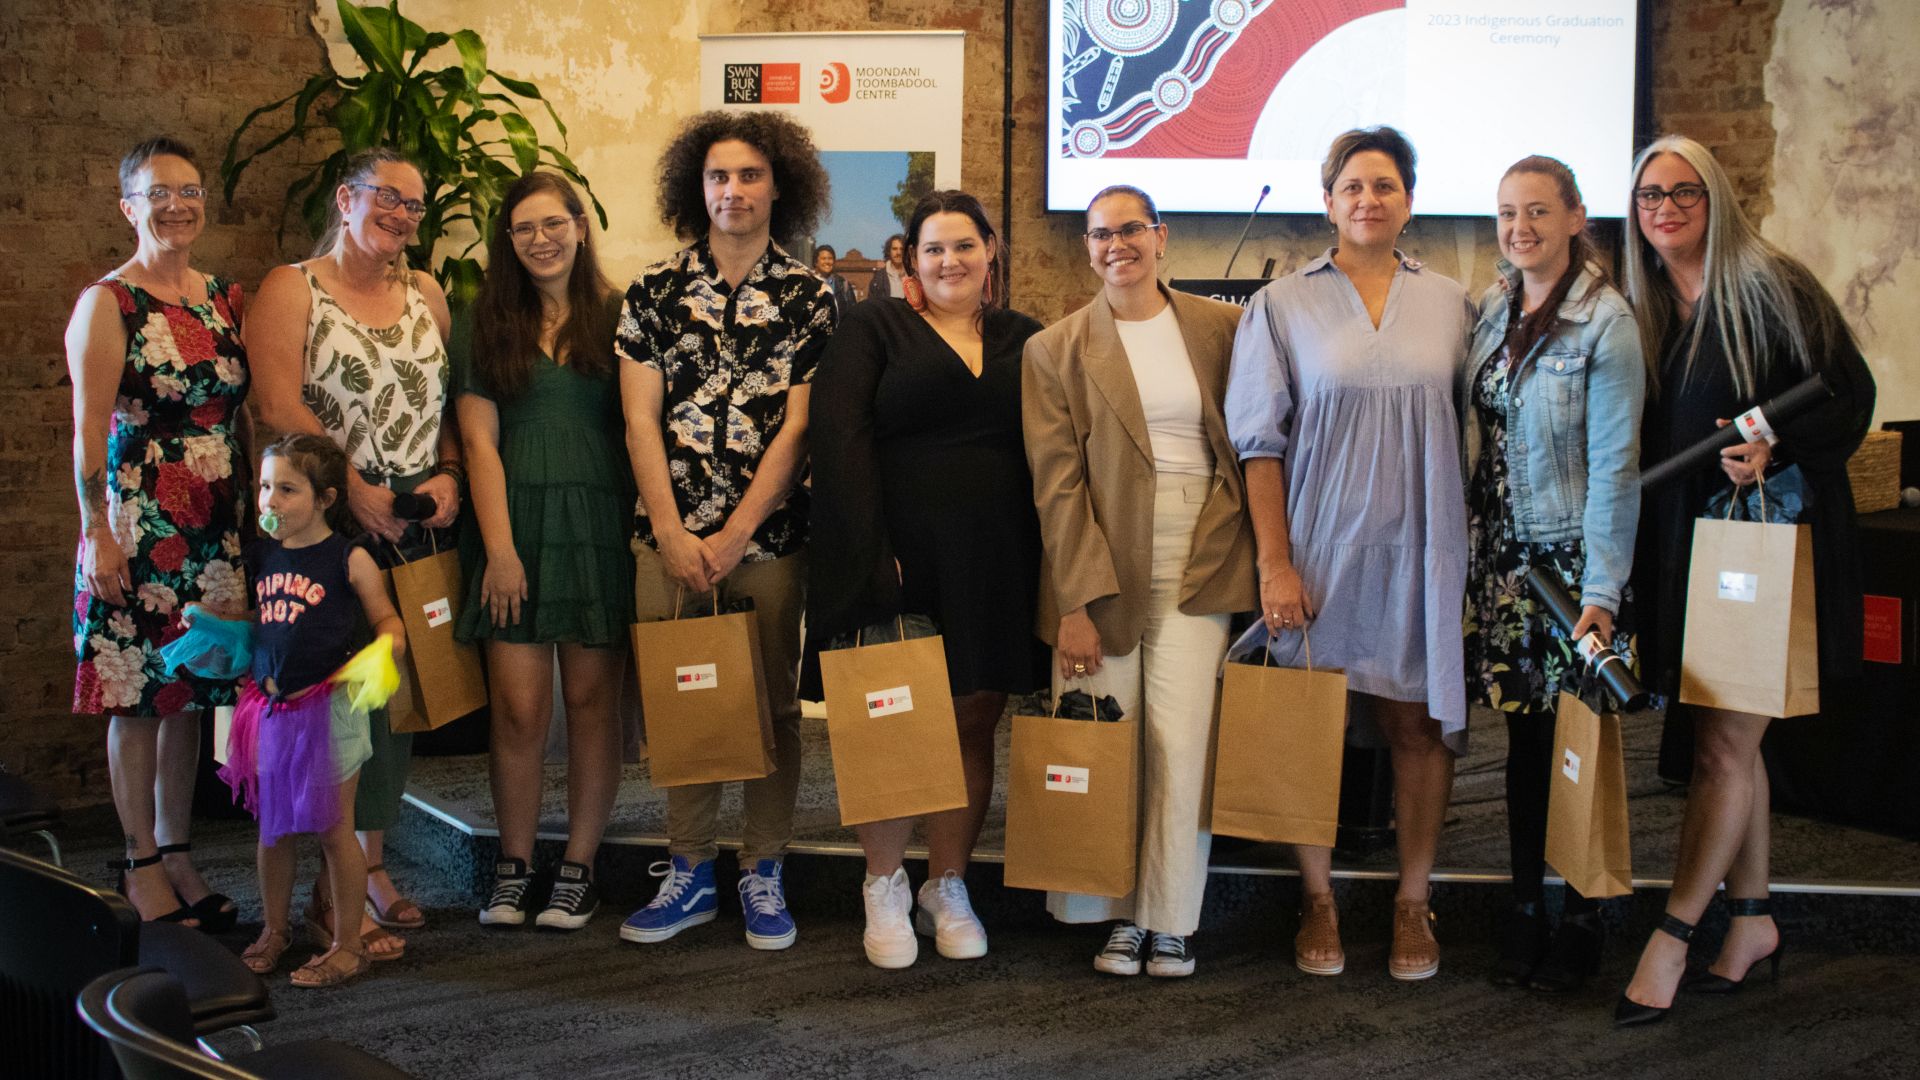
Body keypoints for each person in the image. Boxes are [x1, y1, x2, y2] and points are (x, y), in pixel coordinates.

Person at [1614, 135, 1875, 1026]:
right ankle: (1754, 920)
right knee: (1735, 741)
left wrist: (1777, 445)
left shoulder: (1771, 284)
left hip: (1767, 548)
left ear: (1716, 198)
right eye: (1650, 194)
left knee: (1722, 744)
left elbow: (1850, 392)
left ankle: (1674, 932)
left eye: (1684, 191)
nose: (1666, 208)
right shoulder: (1650, 304)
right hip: (1696, 550)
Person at [1225, 126, 1474, 981]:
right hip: (1320, 544)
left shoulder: (1452, 301)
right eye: (1353, 187)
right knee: (1310, 725)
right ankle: (1318, 895)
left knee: (1415, 724)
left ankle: (1413, 898)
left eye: (1386, 185)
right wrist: (1274, 563)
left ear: (1410, 199)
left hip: (1423, 545)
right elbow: (1259, 445)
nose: (1369, 200)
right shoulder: (1281, 305)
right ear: (1327, 200)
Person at [809, 189, 1049, 970]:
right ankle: (882, 883)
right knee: (893, 719)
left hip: (997, 557)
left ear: (991, 253)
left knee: (973, 718)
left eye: (965, 246)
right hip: (899, 556)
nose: (950, 261)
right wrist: (873, 556)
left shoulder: (1027, 338)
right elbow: (839, 443)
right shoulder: (872, 327)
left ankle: (946, 882)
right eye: (933, 249)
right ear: (911, 259)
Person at [1022, 185, 1256, 978]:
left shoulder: (1223, 327)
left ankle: (1169, 919)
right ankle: (1114, 914)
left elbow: (1250, 447)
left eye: (1130, 230)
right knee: (1105, 735)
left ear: (1161, 236)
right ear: (1086, 249)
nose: (1116, 245)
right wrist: (1075, 604)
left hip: (1202, 548)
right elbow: (1057, 488)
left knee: (1182, 739)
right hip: (1101, 550)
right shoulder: (1053, 349)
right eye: (1099, 235)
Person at [616, 110, 835, 952]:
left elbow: (800, 431)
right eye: (717, 176)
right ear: (695, 188)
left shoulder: (813, 297)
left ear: (779, 183)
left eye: (748, 175)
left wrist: (738, 532)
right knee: (685, 702)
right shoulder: (653, 291)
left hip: (770, 546)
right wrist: (672, 534)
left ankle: (764, 869)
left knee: (775, 708)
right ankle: (690, 871)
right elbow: (640, 423)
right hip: (666, 542)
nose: (732, 190)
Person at [248, 146, 458, 959]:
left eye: (415, 206)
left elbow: (441, 396)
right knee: (331, 703)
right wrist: (357, 490)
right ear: (346, 198)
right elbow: (275, 404)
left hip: (413, 521)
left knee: (393, 699)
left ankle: (368, 870)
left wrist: (444, 472)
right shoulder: (289, 287)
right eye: (388, 199)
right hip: (327, 518)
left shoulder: (427, 293)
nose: (403, 216)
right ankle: (325, 900)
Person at [1462, 156, 1644, 993]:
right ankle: (1525, 907)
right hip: (1505, 565)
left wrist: (1602, 594)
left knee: (1581, 746)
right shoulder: (1495, 308)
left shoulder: (1606, 322)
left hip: (1573, 568)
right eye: (1506, 212)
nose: (1519, 226)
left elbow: (1615, 467)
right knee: (1524, 746)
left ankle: (1582, 915)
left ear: (1576, 216)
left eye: (1538, 210)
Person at [67, 137, 249, 932]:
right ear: (128, 207)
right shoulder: (108, 302)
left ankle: (178, 849)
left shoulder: (220, 298)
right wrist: (95, 533)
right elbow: (84, 432)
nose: (177, 205)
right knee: (137, 695)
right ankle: (139, 857)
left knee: (190, 694)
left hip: (214, 521)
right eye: (157, 193)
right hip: (139, 520)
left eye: (189, 190)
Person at [455, 172, 632, 931]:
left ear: (581, 225)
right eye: (524, 228)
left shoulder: (621, 314)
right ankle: (514, 865)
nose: (541, 239)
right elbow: (478, 442)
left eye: (554, 222)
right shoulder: (482, 319)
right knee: (520, 713)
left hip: (597, 525)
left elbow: (642, 431)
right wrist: (500, 550)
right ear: (508, 239)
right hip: (515, 528)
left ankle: (580, 866)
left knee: (594, 707)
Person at [221, 434, 407, 988]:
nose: (268, 502)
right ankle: (275, 930)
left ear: (326, 498)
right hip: (272, 707)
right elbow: (262, 621)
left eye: (286, 489)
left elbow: (389, 623)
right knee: (273, 828)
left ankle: (348, 944)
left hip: (330, 709)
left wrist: (385, 651)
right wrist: (213, 619)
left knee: (332, 827)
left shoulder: (349, 558)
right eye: (263, 488)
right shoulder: (262, 554)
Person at [812, 243, 858, 318]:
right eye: (823, 259)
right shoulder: (809, 282)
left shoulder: (843, 284)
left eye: (830, 258)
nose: (827, 262)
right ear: (816, 262)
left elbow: (853, 312)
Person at [866, 234, 907, 300]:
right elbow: (872, 306)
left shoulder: (913, 276)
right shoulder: (878, 278)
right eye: (894, 249)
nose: (898, 252)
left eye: (902, 249)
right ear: (889, 251)